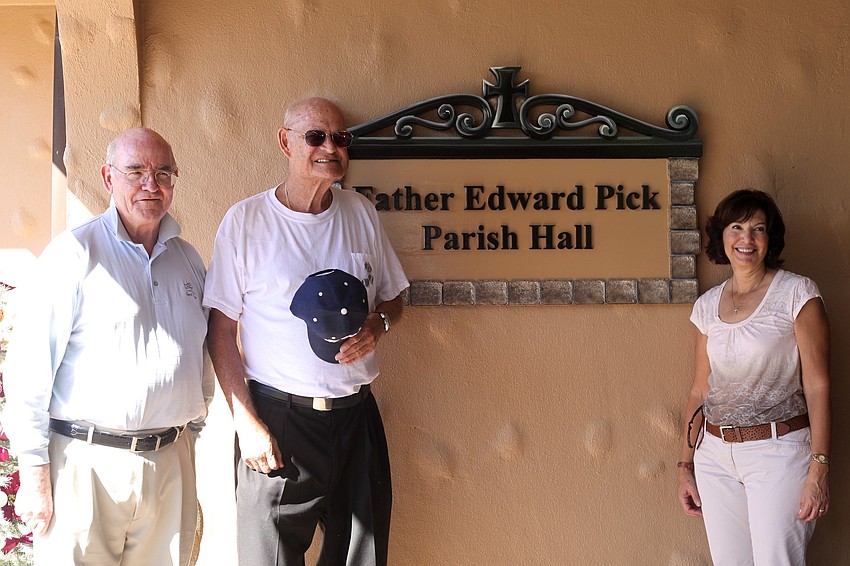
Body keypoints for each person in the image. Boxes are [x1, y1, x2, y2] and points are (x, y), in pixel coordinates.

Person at [204, 97, 408, 566]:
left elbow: (394, 298)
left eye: (340, 138)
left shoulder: (361, 213)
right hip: (278, 422)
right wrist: (246, 424)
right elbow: (220, 330)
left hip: (357, 419)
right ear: (286, 142)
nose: (330, 148)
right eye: (315, 136)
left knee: (363, 558)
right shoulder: (246, 222)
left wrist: (379, 324)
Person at [2, 128, 213, 566]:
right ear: (107, 177)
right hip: (85, 467)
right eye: (135, 171)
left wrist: (190, 437)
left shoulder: (188, 259)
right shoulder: (74, 254)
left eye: (163, 173)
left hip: (170, 462)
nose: (151, 184)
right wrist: (35, 471)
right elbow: (28, 370)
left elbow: (202, 356)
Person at [676, 189, 831, 565]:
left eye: (758, 228)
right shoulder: (707, 306)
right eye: (736, 227)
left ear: (769, 237)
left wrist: (819, 467)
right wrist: (685, 465)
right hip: (714, 456)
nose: (746, 238)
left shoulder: (796, 293)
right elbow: (700, 389)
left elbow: (818, 385)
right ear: (722, 236)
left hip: (778, 453)